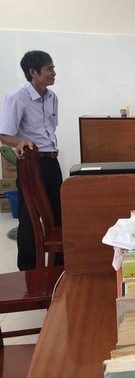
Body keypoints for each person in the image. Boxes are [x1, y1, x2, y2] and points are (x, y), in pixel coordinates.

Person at [0, 50, 63, 271]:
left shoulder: (52, 97)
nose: (54, 73)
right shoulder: (17, 98)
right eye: (49, 69)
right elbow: (4, 134)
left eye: (53, 68)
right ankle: (29, 269)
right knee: (30, 217)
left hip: (52, 161)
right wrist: (22, 141)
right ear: (33, 73)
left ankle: (59, 266)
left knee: (58, 212)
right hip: (31, 163)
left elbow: (50, 130)